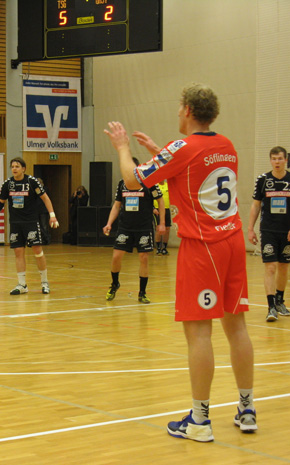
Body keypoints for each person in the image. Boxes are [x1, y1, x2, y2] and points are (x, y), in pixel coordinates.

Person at [104, 83, 256, 442]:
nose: (177, 112)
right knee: (237, 327)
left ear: (187, 110)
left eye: (178, 106)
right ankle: (247, 408)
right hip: (233, 241)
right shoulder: (226, 145)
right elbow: (195, 171)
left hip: (203, 248)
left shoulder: (182, 147)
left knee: (199, 332)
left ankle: (200, 421)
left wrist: (123, 148)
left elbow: (132, 180)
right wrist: (160, 153)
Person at [0, 157, 60, 295]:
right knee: (18, 252)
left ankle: (44, 282)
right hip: (16, 223)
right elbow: (0, 203)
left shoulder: (31, 182)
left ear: (23, 169)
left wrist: (52, 215)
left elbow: (45, 198)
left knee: (37, 250)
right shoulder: (8, 184)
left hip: (31, 222)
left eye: (17, 166)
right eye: (12, 166)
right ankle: (22, 284)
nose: (14, 169)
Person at [247, 146, 290, 322]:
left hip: (287, 230)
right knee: (270, 267)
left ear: (285, 160)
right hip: (268, 230)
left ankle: (280, 301)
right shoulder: (263, 180)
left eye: (280, 158)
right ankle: (271, 306)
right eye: (274, 158)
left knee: (284, 266)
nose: (277, 162)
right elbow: (256, 205)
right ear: (270, 160)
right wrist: (250, 228)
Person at [102, 157, 165, 304]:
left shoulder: (149, 182)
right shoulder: (122, 184)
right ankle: (114, 284)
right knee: (116, 256)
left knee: (143, 258)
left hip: (143, 227)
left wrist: (161, 223)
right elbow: (117, 205)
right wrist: (109, 223)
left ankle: (142, 292)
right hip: (125, 227)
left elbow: (160, 201)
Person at [153, 180, 172, 255]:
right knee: (158, 228)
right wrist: (153, 208)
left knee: (167, 228)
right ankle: (158, 248)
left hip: (166, 209)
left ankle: (164, 248)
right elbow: (151, 198)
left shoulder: (168, 186)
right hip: (158, 209)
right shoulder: (155, 186)